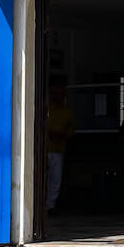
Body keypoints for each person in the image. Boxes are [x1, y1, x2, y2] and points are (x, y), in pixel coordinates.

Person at [45, 79, 75, 215]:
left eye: (61, 93)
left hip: (58, 149)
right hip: (44, 149)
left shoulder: (67, 111)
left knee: (55, 180)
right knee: (43, 178)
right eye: (56, 93)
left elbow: (72, 129)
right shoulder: (46, 109)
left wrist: (62, 135)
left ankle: (50, 206)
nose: (59, 96)